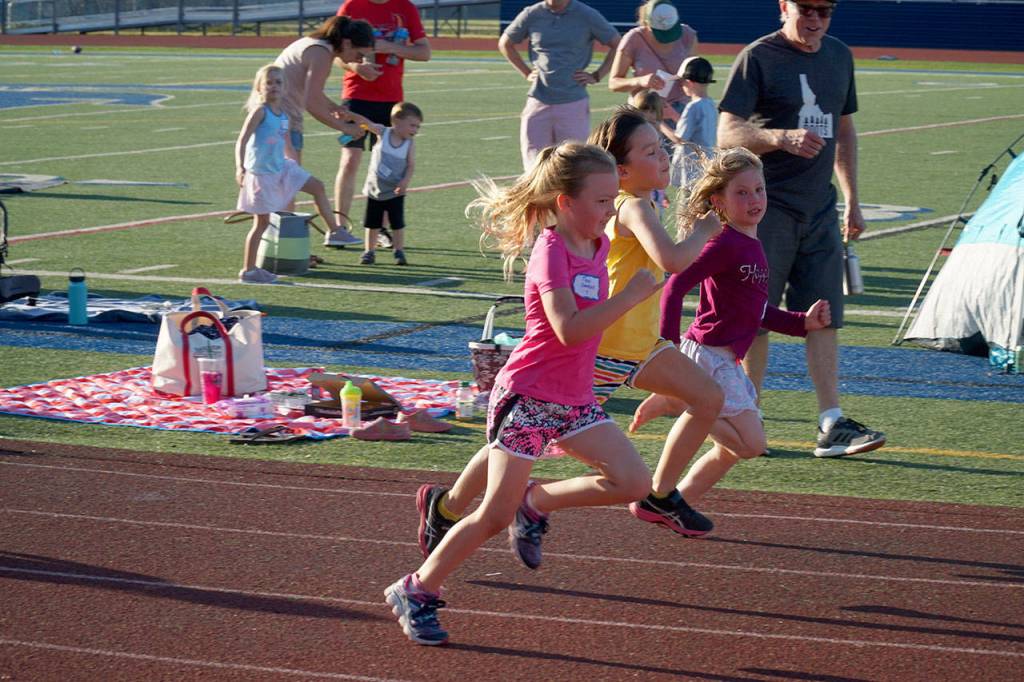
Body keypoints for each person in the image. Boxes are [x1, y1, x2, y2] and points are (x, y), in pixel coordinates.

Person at [414, 107, 726, 562]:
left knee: (708, 397)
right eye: (651, 151)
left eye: (663, 149)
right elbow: (673, 260)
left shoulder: (623, 215)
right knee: (520, 442)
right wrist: (704, 231)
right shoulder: (628, 206)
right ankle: (452, 507)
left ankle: (655, 494)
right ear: (619, 172)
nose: (663, 158)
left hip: (640, 345)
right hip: (602, 346)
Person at [385, 142, 661, 645]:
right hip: (529, 398)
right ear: (564, 203)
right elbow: (568, 329)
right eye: (601, 201)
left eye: (613, 198)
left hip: (574, 399)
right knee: (491, 514)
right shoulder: (551, 252)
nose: (610, 210)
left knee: (634, 481)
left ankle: (535, 502)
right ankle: (417, 588)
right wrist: (629, 297)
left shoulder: (598, 246)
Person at [716, 0, 885, 457]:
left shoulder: (838, 55)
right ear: (784, 7)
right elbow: (726, 133)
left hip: (820, 209)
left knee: (824, 313)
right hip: (765, 209)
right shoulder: (759, 56)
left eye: (825, 10)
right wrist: (778, 138)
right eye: (806, 8)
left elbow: (843, 130)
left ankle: (831, 421)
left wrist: (851, 197)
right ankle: (749, 413)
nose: (815, 19)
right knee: (755, 314)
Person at [632, 148, 831, 510]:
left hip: (726, 361)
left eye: (759, 189)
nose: (754, 199)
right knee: (751, 446)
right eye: (741, 192)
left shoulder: (750, 243)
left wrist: (801, 323)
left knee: (732, 450)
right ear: (718, 202)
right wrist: (667, 346)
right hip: (706, 355)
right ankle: (678, 401)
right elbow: (675, 285)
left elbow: (754, 310)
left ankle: (672, 507)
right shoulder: (725, 242)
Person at [234, 65, 346, 284]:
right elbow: (242, 139)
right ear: (259, 87)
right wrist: (240, 167)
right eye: (269, 82)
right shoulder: (260, 111)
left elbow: (285, 144)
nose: (274, 86)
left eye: (278, 82)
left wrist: (293, 166)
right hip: (262, 173)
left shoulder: (283, 115)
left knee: (317, 186)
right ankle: (248, 270)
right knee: (262, 223)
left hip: (281, 169)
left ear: (285, 88)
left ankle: (335, 231)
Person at [334, 0, 431, 246]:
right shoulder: (351, 7)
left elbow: (424, 52)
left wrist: (389, 46)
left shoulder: (405, 8)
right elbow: (334, 53)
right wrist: (356, 66)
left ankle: (381, 231)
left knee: (390, 167)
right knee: (350, 160)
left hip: (391, 102)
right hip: (355, 96)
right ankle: (339, 227)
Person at [272, 15, 375, 248]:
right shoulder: (321, 54)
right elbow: (311, 102)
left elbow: (313, 95)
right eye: (359, 54)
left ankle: (289, 245)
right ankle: (284, 248)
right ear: (347, 43)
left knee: (288, 183)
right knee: (288, 184)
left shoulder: (316, 46)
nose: (358, 60)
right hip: (281, 121)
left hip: (279, 118)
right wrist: (344, 127)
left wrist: (335, 109)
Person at [499, 0, 621, 171]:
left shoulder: (586, 14)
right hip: (538, 100)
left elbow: (617, 43)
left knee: (575, 165)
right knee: (534, 167)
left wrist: (597, 75)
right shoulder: (532, 13)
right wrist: (526, 72)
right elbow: (505, 43)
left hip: (573, 102)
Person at [608, 0, 697, 125]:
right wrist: (640, 81)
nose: (666, 38)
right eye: (661, 33)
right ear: (646, 23)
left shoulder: (687, 36)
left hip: (678, 111)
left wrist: (689, 81)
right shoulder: (633, 39)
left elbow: (694, 77)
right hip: (645, 111)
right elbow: (614, 83)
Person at [359, 101, 421, 266]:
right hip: (375, 189)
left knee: (397, 224)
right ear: (397, 121)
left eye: (417, 127)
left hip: (395, 191)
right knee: (372, 224)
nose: (415, 130)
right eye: (412, 125)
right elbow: (366, 124)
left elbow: (411, 165)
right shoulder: (383, 133)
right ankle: (369, 251)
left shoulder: (409, 144)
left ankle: (399, 251)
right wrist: (350, 117)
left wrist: (404, 182)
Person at [670, 56, 717, 193]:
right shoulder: (709, 103)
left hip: (691, 171)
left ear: (689, 82)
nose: (681, 85)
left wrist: (658, 123)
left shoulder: (693, 107)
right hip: (706, 167)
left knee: (685, 212)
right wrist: (673, 115)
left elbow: (680, 139)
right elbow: (694, 128)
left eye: (682, 82)